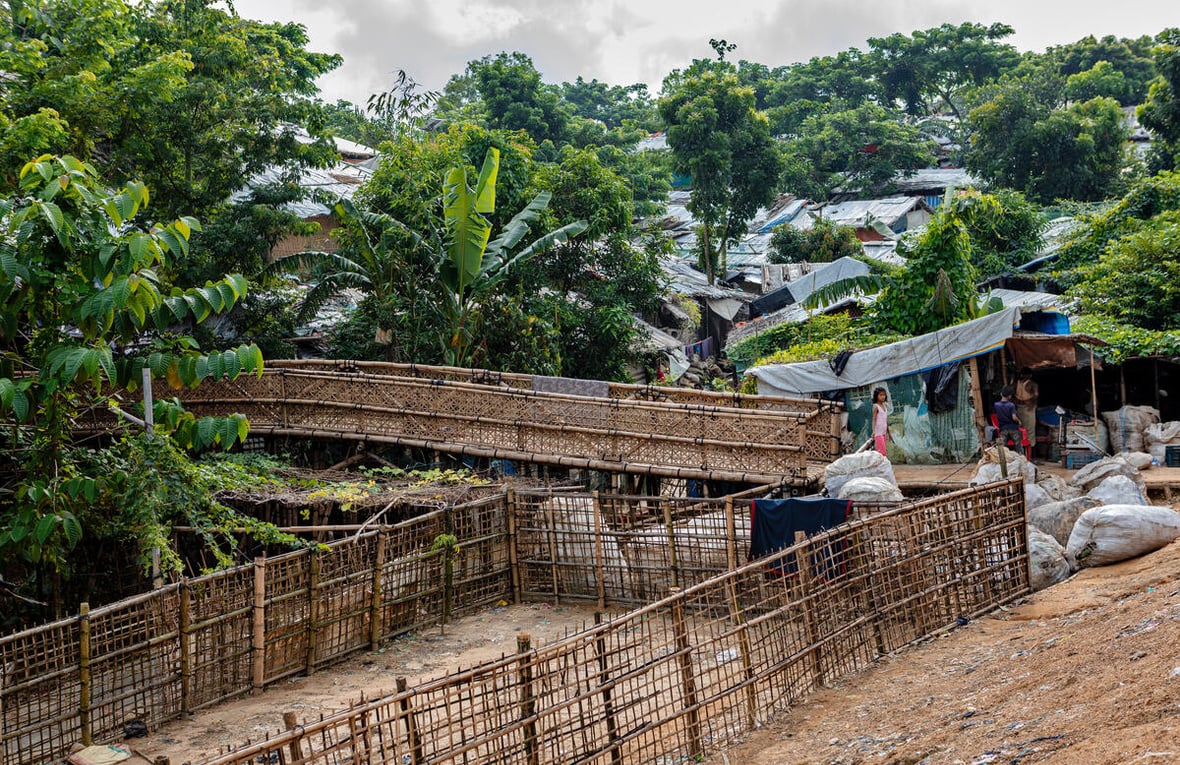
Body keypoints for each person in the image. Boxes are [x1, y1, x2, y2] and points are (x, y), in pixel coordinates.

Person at [1014, 367, 1039, 439]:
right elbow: (1036, 395)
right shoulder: (1032, 384)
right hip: (1025, 408)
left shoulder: (1017, 383)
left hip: (1024, 407)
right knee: (1029, 430)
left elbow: (1036, 395)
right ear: (1030, 375)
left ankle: (1027, 446)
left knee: (1022, 429)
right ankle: (1028, 446)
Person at [871, 387, 890, 456]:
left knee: (883, 452)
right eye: (881, 395)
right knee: (882, 452)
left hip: (883, 432)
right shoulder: (876, 406)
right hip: (878, 433)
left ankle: (881, 466)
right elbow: (874, 419)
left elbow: (885, 421)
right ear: (877, 396)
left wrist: (889, 433)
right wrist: (873, 431)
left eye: (884, 395)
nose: (883, 397)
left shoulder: (884, 406)